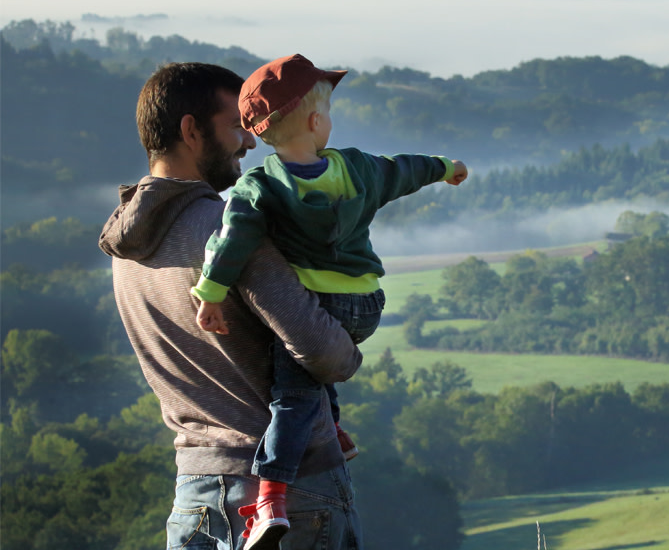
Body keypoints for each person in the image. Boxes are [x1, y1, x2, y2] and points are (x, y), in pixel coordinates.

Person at [186, 53, 467, 548]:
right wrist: (446, 167)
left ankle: (270, 495)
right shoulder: (359, 169)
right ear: (317, 122)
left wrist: (210, 293)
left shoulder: (260, 186)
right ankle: (332, 429)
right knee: (310, 377)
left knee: (288, 394)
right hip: (365, 306)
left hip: (318, 307)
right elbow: (404, 170)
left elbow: (231, 241)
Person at [100, 62, 364, 549]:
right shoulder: (230, 233)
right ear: (190, 130)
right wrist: (350, 345)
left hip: (195, 498)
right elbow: (322, 350)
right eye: (236, 126)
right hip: (291, 497)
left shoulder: (126, 246)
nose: (249, 141)